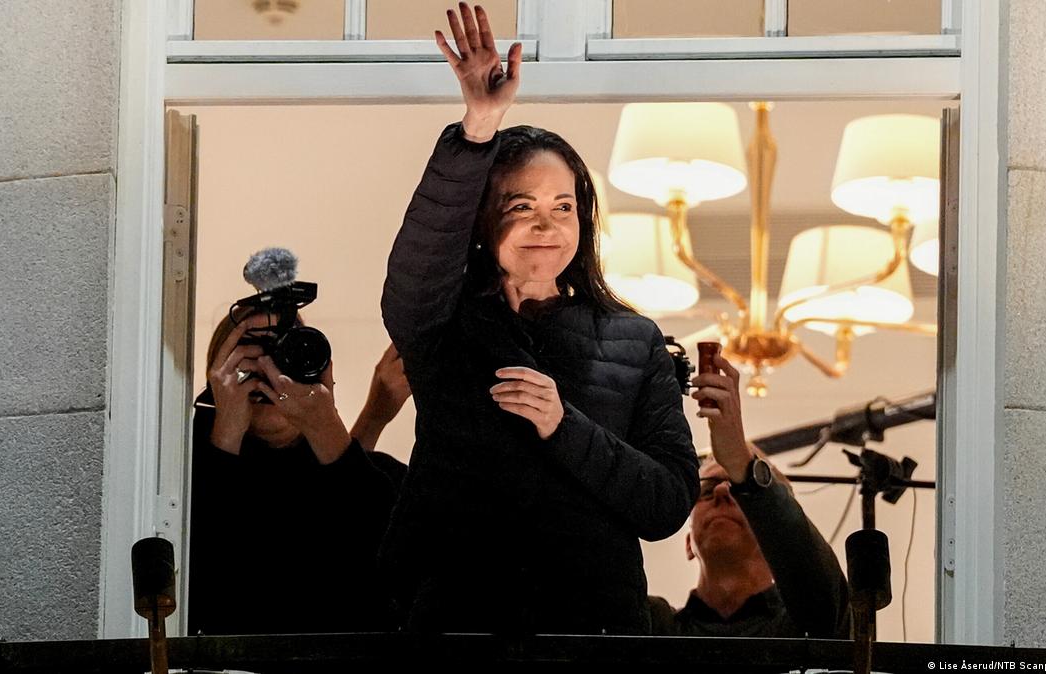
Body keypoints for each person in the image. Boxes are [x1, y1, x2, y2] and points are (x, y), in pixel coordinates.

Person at [379, 3, 699, 635]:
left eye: (563, 206)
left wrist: (564, 425)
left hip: (595, 635)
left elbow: (665, 504)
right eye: (521, 205)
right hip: (457, 628)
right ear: (482, 219)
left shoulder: (635, 341)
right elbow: (419, 263)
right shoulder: (441, 322)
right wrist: (478, 128)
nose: (545, 225)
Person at [187, 307, 407, 635]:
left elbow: (389, 567)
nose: (268, 371)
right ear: (219, 377)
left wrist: (326, 425)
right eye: (249, 357)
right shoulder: (174, 476)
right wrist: (225, 431)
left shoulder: (373, 476)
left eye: (283, 354)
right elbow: (200, 579)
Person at [648, 352, 851, 638]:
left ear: (773, 538)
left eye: (737, 487)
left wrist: (741, 462)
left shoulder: (807, 626)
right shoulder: (653, 628)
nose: (721, 491)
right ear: (689, 543)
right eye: (707, 490)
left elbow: (826, 604)